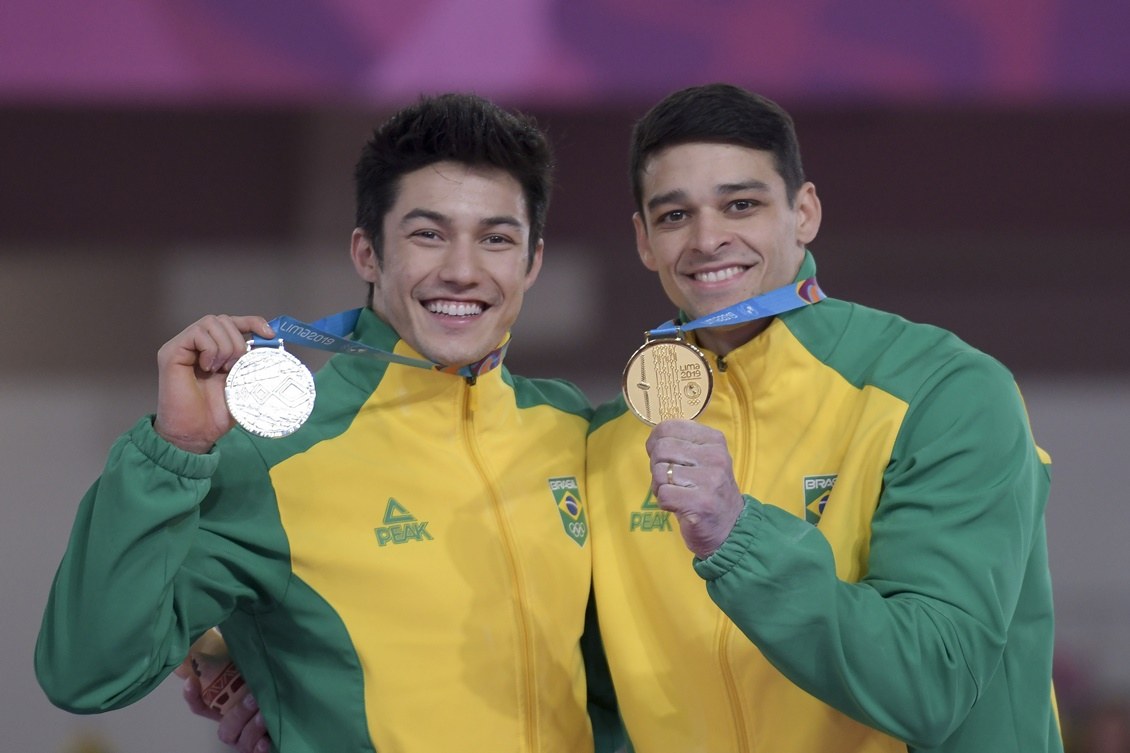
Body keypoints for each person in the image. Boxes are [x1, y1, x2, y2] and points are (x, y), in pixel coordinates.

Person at [35, 93, 620, 753]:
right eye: (428, 233)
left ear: (532, 262)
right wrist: (175, 452)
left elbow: (621, 682)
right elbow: (86, 672)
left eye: (496, 238)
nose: (462, 269)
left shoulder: (572, 429)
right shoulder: (271, 454)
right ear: (367, 253)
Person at [584, 82, 1061, 752]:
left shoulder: (941, 390)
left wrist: (737, 535)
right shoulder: (608, 440)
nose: (707, 238)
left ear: (803, 212)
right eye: (673, 216)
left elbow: (933, 683)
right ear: (643, 240)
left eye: (741, 204)